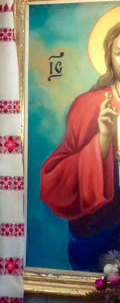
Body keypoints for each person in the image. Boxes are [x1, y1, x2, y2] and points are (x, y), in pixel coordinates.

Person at [41, 24, 120, 271]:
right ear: (110, 59)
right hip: (102, 231)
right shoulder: (88, 106)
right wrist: (103, 140)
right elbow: (57, 177)